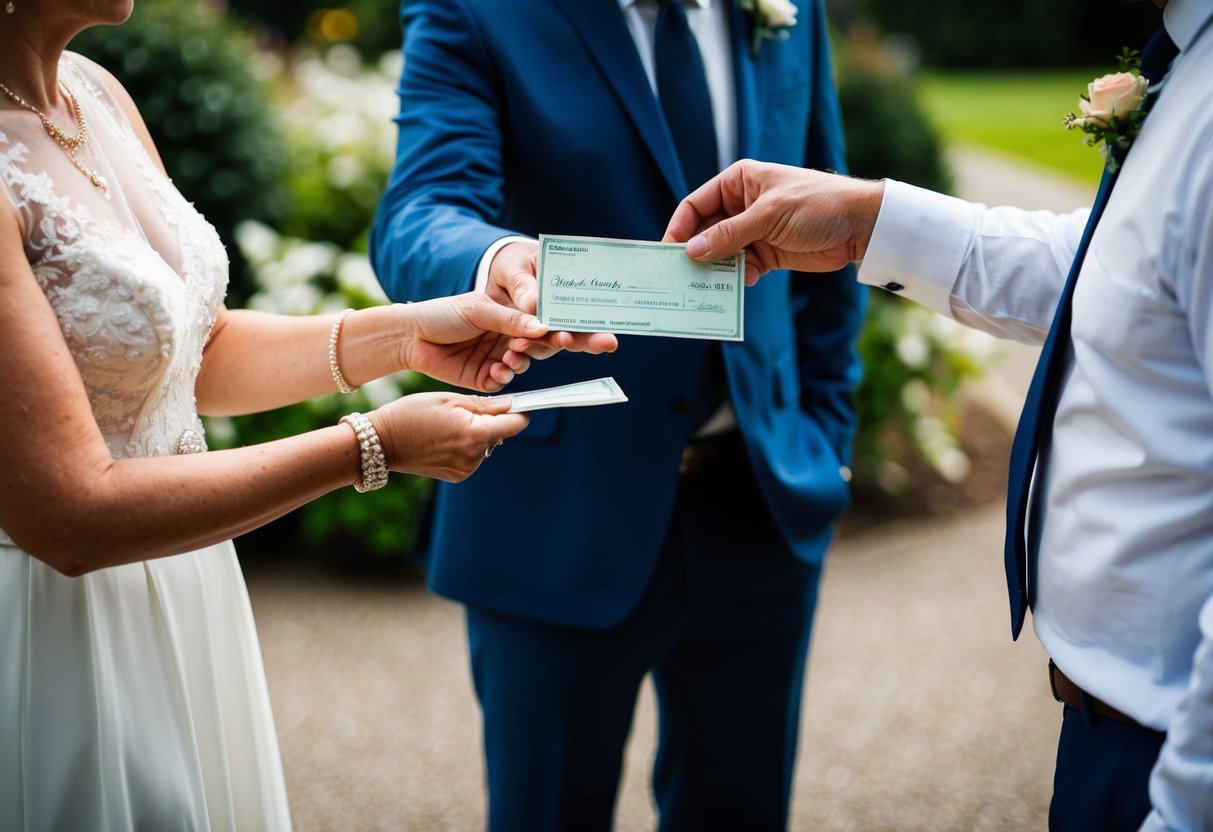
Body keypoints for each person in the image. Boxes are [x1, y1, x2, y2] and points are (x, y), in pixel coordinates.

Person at [0, 1, 571, 828]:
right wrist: (367, 446)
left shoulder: (97, 95)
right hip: (52, 624)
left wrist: (413, 332)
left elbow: (192, 350)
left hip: (185, 585)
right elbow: (68, 515)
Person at [665, 0, 1213, 828]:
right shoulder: (1190, 53)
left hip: (1165, 758)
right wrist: (866, 223)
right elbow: (1122, 269)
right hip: (1108, 732)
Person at [370, 0, 866, 829]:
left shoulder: (790, 9)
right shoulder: (477, 11)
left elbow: (831, 228)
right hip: (556, 501)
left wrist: (825, 432)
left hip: (762, 499)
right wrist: (494, 263)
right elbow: (418, 213)